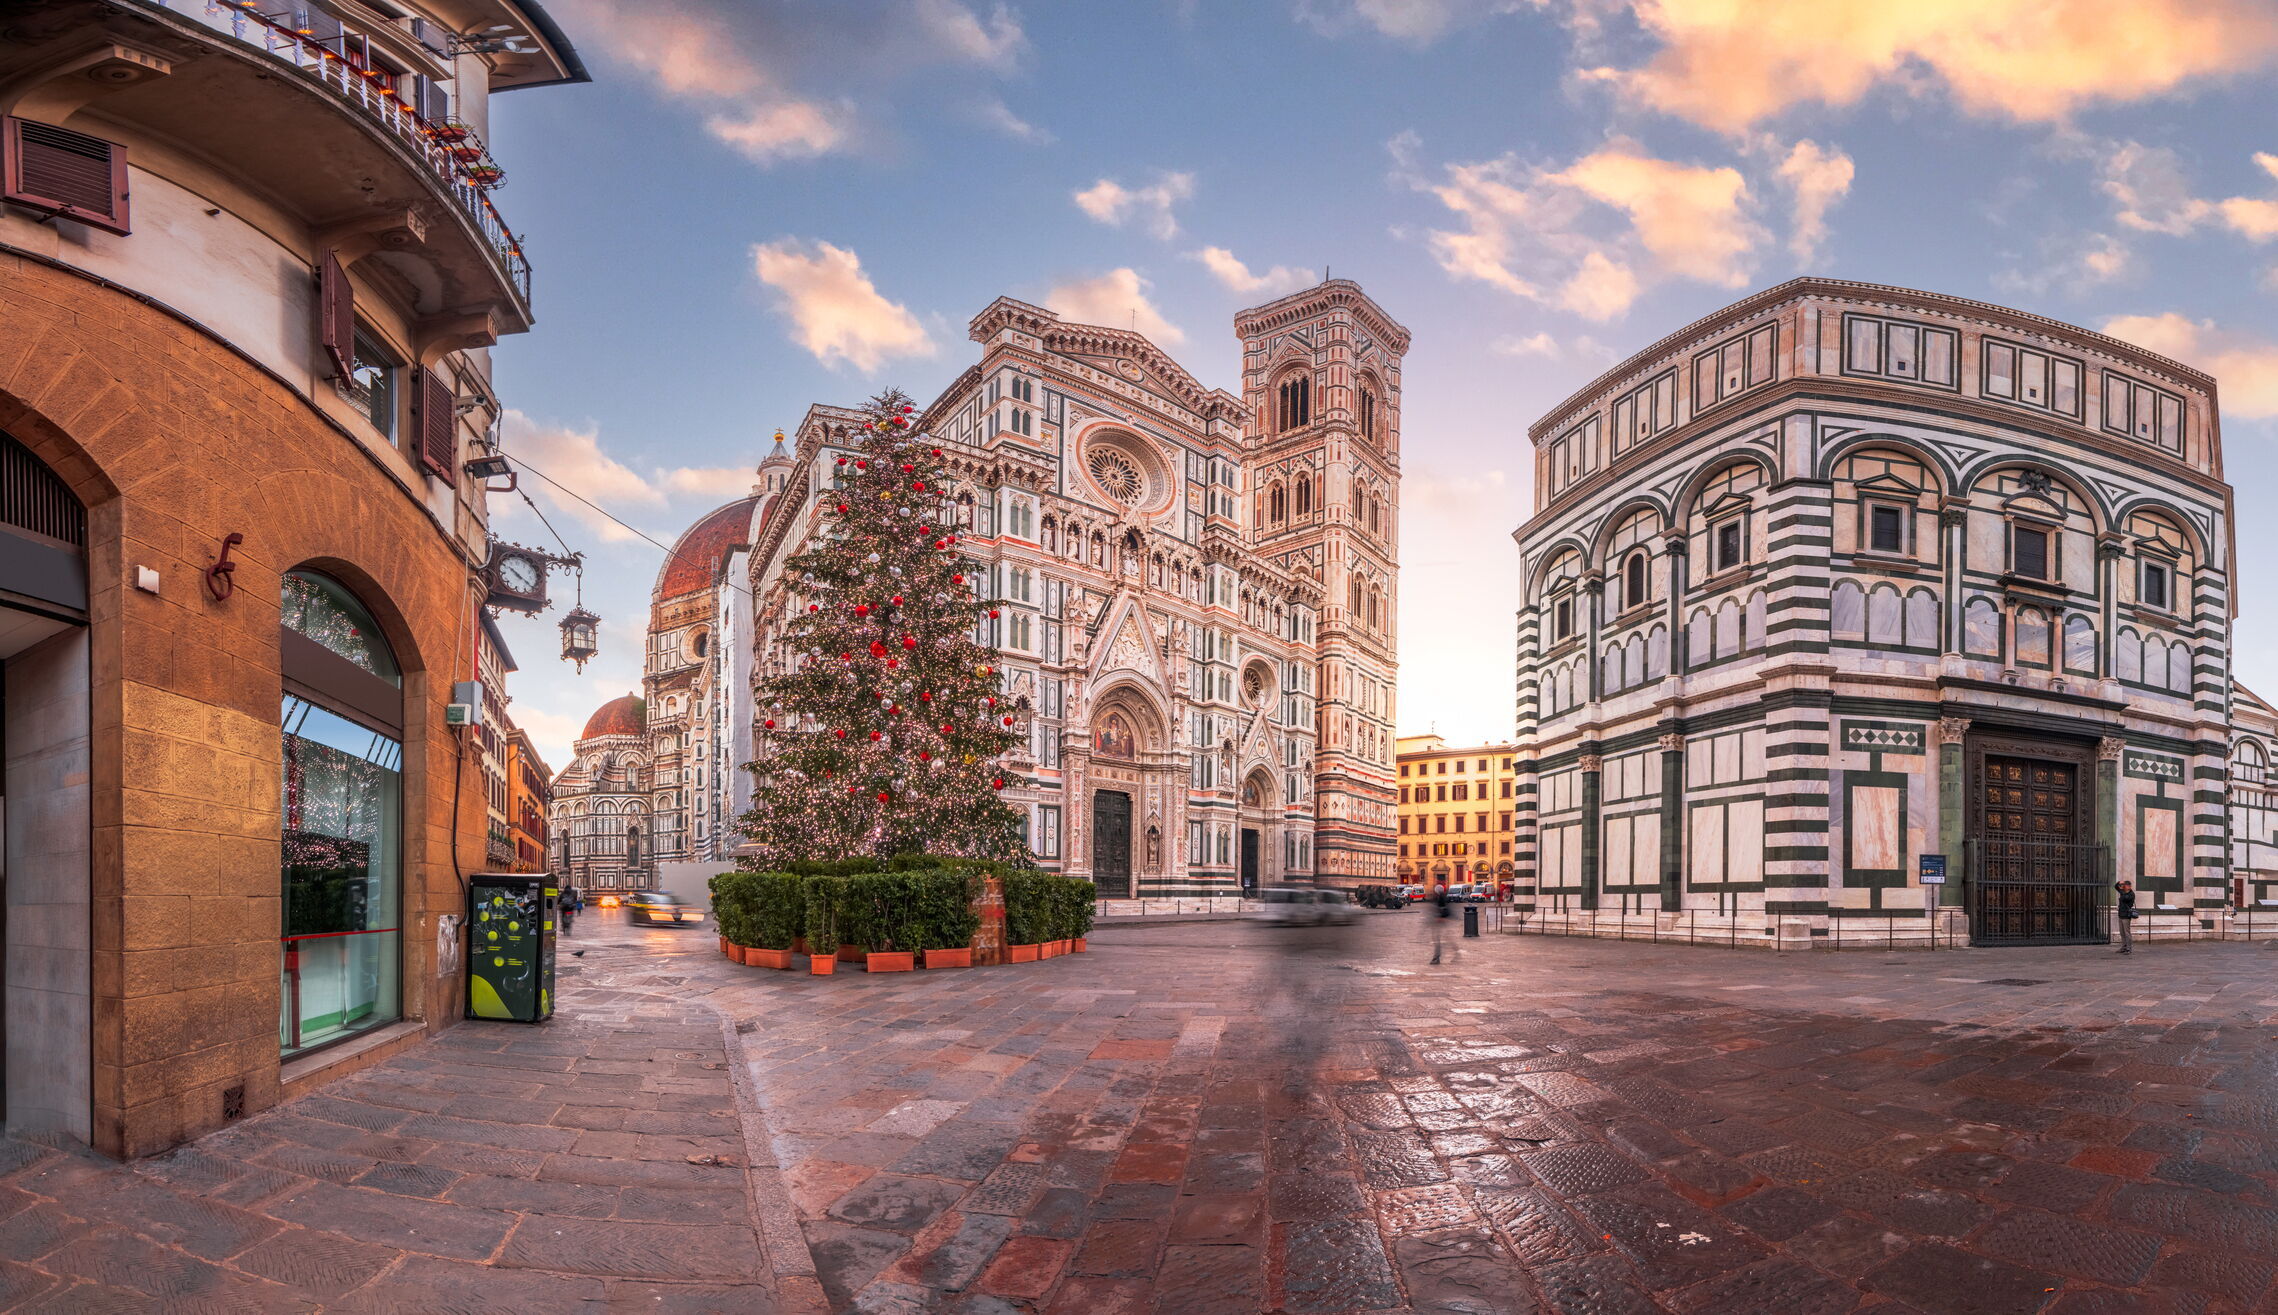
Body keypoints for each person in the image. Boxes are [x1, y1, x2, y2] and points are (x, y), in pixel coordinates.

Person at [2115, 879, 2136, 954]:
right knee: (2122, 933)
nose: (2126, 886)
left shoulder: (2131, 894)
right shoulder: (2123, 892)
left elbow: (2125, 898)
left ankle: (2129, 948)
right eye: (2125, 885)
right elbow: (2116, 887)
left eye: (2127, 885)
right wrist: (2119, 883)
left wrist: (2122, 891)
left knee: (2127, 933)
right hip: (2121, 915)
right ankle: (2123, 947)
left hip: (2126, 916)